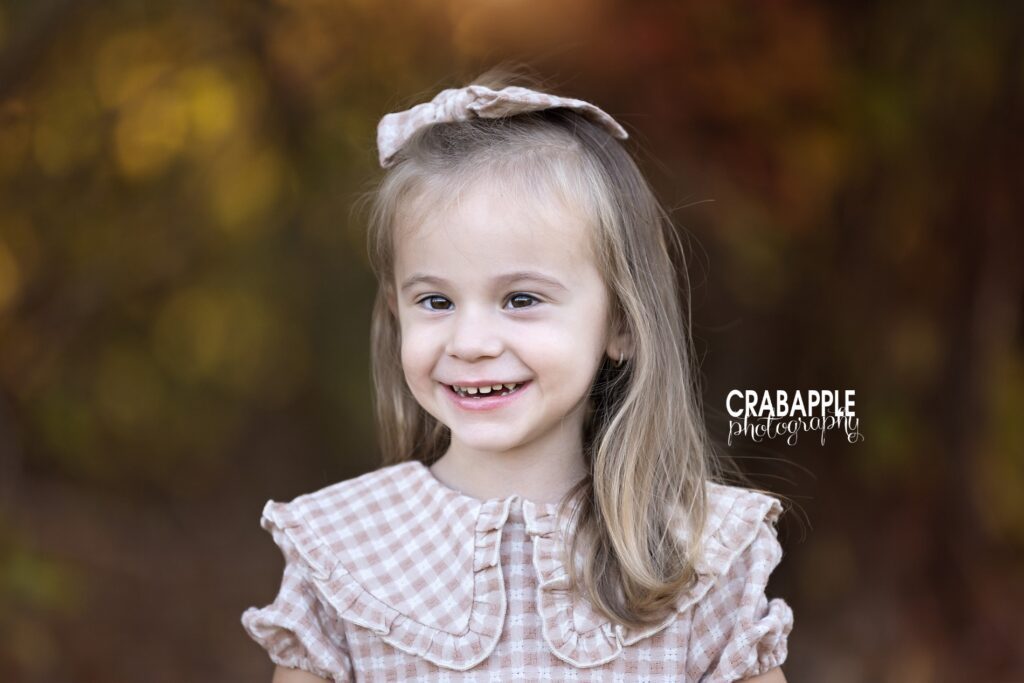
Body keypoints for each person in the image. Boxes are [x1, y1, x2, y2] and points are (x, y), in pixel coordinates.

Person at [241, 64, 794, 682]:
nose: (471, 343)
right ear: (397, 312)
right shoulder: (345, 550)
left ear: (621, 324)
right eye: (437, 302)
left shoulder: (699, 554)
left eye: (521, 299)